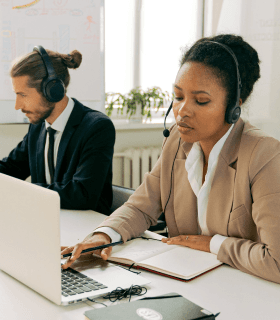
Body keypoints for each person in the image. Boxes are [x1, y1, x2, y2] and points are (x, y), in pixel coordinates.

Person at [61, 34, 280, 284]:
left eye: (201, 100)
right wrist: (103, 236)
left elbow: (277, 261)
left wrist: (215, 244)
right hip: (185, 279)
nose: (182, 111)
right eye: (178, 97)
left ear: (234, 107)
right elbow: (142, 205)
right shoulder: (177, 140)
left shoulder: (265, 155)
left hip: (245, 287)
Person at [0, 46, 115, 215]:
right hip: (48, 220)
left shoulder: (96, 127)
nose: (18, 106)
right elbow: (11, 168)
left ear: (52, 90)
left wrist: (26, 192)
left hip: (85, 228)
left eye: (23, 95)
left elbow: (82, 194)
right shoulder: (38, 126)